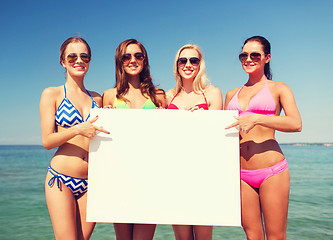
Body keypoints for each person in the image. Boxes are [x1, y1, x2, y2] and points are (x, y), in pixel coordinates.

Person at [225, 36, 302, 240]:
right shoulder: (231, 94)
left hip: (272, 172)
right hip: (241, 175)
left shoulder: (279, 88)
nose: (248, 59)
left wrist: (258, 118)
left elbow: (295, 123)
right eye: (244, 55)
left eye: (254, 55)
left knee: (276, 237)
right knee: (253, 236)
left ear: (266, 58)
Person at [40, 36, 109, 239]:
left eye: (84, 56)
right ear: (63, 61)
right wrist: (77, 129)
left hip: (92, 183)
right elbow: (47, 141)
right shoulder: (51, 94)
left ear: (89, 61)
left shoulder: (98, 98)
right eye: (72, 57)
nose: (79, 60)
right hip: (61, 180)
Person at [103, 39, 166, 240]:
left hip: (151, 176)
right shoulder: (110, 96)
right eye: (127, 56)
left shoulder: (158, 96)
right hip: (119, 175)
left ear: (144, 60)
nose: (133, 60)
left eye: (138, 55)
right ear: (119, 61)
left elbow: (168, 139)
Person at [166, 44, 223, 240]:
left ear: (200, 65)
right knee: (182, 237)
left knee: (203, 236)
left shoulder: (213, 93)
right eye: (183, 60)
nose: (188, 64)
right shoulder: (168, 96)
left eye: (193, 60)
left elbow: (218, 136)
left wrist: (205, 120)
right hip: (174, 173)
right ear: (177, 65)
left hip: (203, 172)